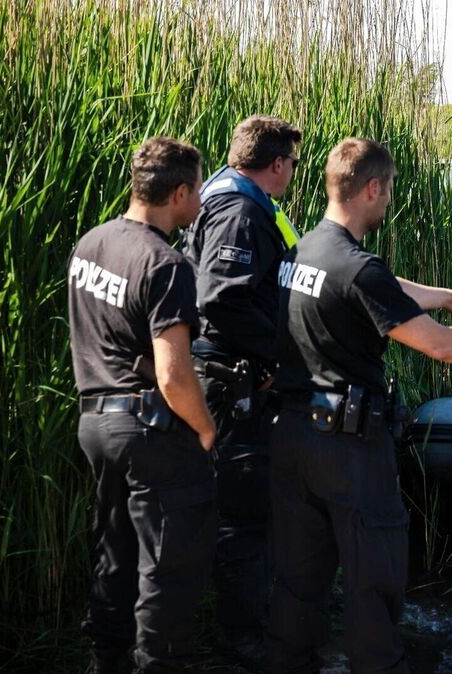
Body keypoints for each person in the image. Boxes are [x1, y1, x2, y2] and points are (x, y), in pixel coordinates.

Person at [266, 138, 452, 672]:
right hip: (349, 448)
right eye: (389, 191)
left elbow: (372, 287)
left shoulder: (303, 251)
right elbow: (439, 345)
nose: (389, 203)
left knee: (300, 578)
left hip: (293, 439)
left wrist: (444, 296)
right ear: (372, 188)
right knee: (373, 576)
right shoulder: (357, 266)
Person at [68, 137, 217, 673]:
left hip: (95, 422)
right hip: (148, 431)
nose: (200, 200)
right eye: (197, 189)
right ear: (178, 193)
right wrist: (204, 429)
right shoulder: (165, 263)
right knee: (168, 567)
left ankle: (105, 660)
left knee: (116, 552)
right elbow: (174, 374)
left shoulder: (91, 243)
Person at [181, 115, 302, 669]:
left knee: (244, 513)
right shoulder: (239, 210)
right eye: (292, 164)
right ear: (276, 164)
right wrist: (273, 356)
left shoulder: (232, 198)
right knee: (242, 519)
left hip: (235, 378)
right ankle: (241, 643)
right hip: (233, 384)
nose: (293, 174)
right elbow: (222, 299)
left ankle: (244, 626)